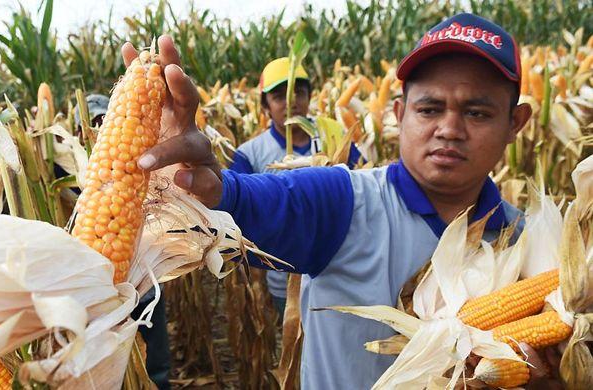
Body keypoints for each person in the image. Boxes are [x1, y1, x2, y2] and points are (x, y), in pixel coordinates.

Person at [122, 13, 559, 388]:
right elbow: (240, 199)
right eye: (429, 109)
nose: (450, 128)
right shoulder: (342, 202)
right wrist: (205, 182)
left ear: (515, 122)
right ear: (399, 113)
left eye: (477, 113)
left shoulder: (536, 250)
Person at [230, 57, 363, 320]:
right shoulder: (249, 153)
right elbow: (237, 221)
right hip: (284, 281)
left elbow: (364, 181)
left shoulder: (333, 133)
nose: (291, 102)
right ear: (265, 105)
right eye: (279, 96)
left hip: (342, 271)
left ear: (309, 96)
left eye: (298, 93)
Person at [69, 94, 173, 390]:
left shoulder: (142, 159)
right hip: (91, 297)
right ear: (78, 131)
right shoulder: (60, 171)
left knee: (155, 366)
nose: (100, 128)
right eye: (92, 124)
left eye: (104, 121)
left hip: (142, 285)